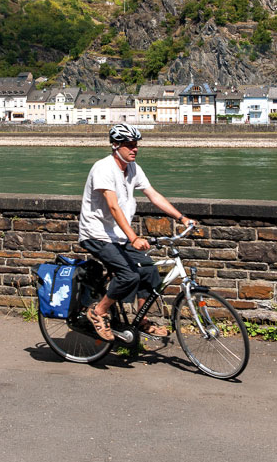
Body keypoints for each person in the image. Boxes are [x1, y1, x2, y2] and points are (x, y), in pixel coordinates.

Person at [78, 123, 193, 341]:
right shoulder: (103, 168)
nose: (135, 149)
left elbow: (153, 195)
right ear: (115, 145)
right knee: (128, 275)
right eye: (129, 145)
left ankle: (140, 319)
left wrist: (181, 217)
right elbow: (113, 206)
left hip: (118, 236)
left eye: (136, 145)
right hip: (96, 234)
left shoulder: (133, 168)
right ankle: (98, 311)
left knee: (149, 271)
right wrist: (134, 237)